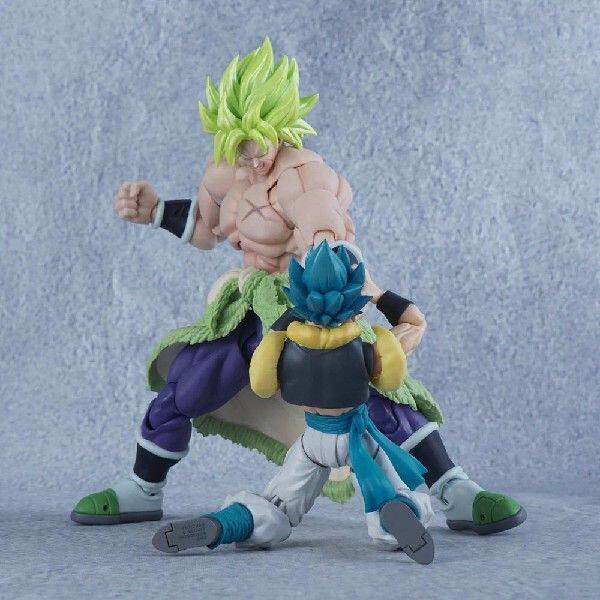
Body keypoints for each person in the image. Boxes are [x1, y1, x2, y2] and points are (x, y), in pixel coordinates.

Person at [71, 38, 525, 537]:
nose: (250, 158)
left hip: (309, 306)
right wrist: (156, 211)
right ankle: (144, 488)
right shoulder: (224, 169)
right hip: (247, 305)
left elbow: (330, 244)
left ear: (281, 128)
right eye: (239, 144)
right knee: (187, 382)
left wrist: (363, 297)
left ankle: (455, 489)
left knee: (373, 391)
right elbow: (209, 228)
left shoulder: (303, 177)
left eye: (259, 144)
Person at [152, 242, 435, 564]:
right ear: (356, 299)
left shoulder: (281, 345)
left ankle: (229, 524)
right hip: (356, 440)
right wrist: (379, 295)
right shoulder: (371, 347)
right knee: (392, 492)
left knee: (278, 504)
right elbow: (412, 332)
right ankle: (393, 513)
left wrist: (286, 320)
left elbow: (262, 385)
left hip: (312, 442)